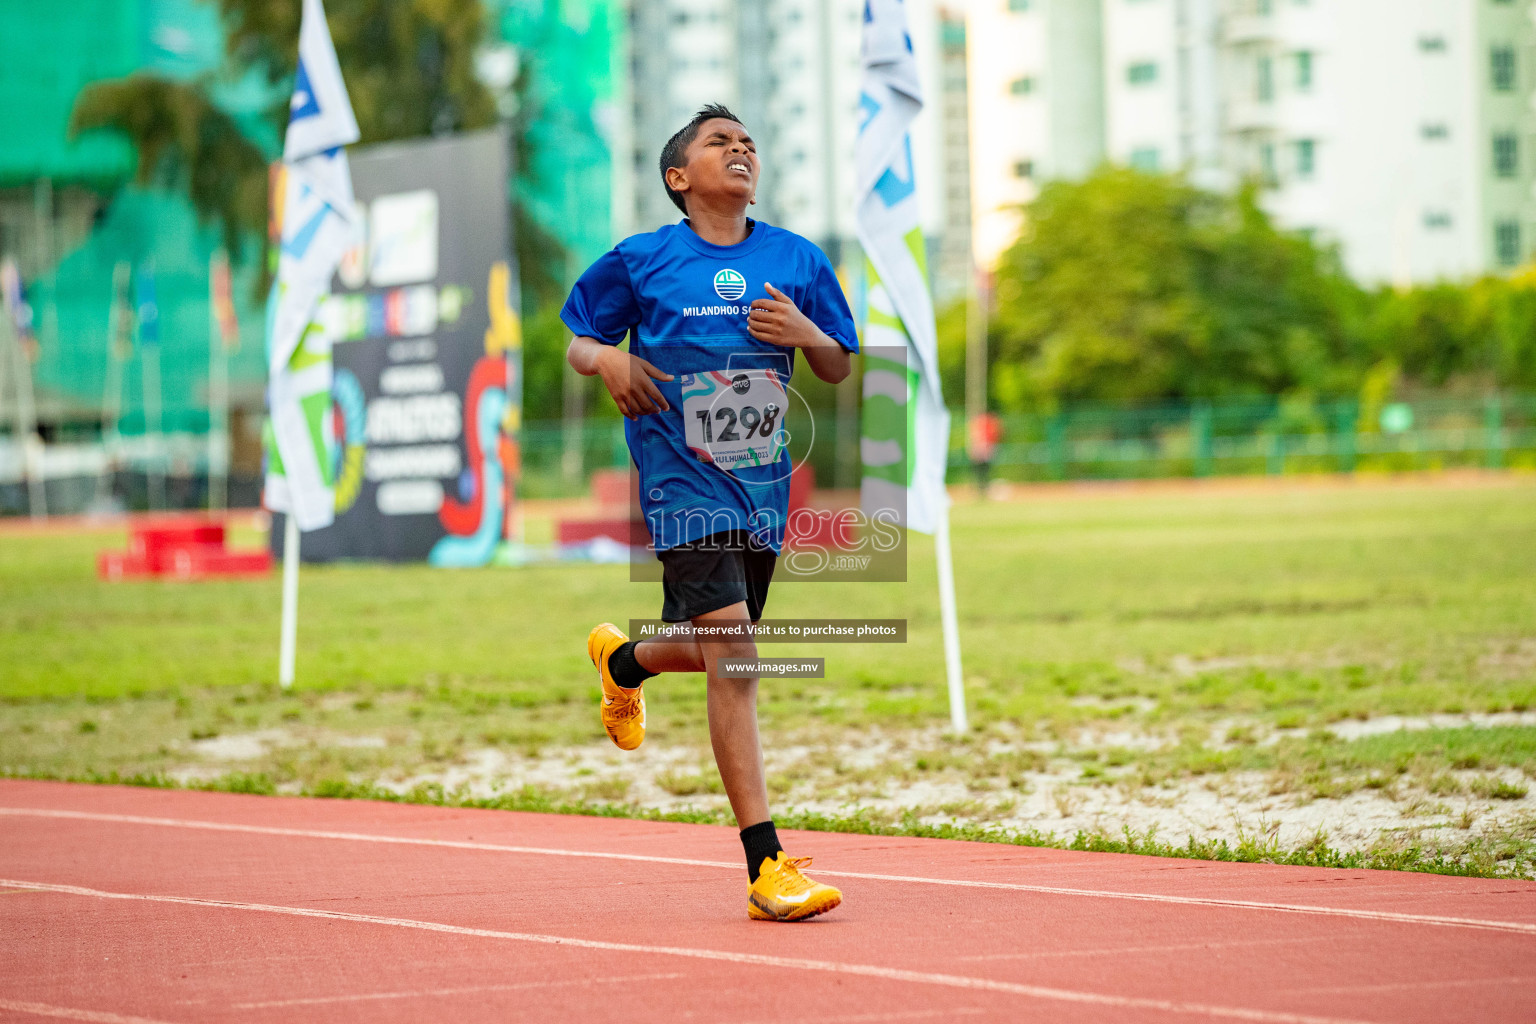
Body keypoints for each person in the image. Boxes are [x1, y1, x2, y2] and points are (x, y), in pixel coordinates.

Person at [563, 104, 858, 922]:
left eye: (748, 143)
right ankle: (767, 866)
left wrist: (804, 330)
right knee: (738, 653)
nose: (741, 150)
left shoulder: (795, 258)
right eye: (719, 142)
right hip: (679, 478)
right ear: (678, 177)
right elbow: (578, 338)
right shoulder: (643, 259)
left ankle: (623, 666)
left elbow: (835, 365)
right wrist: (612, 358)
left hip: (760, 486)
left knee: (725, 648)